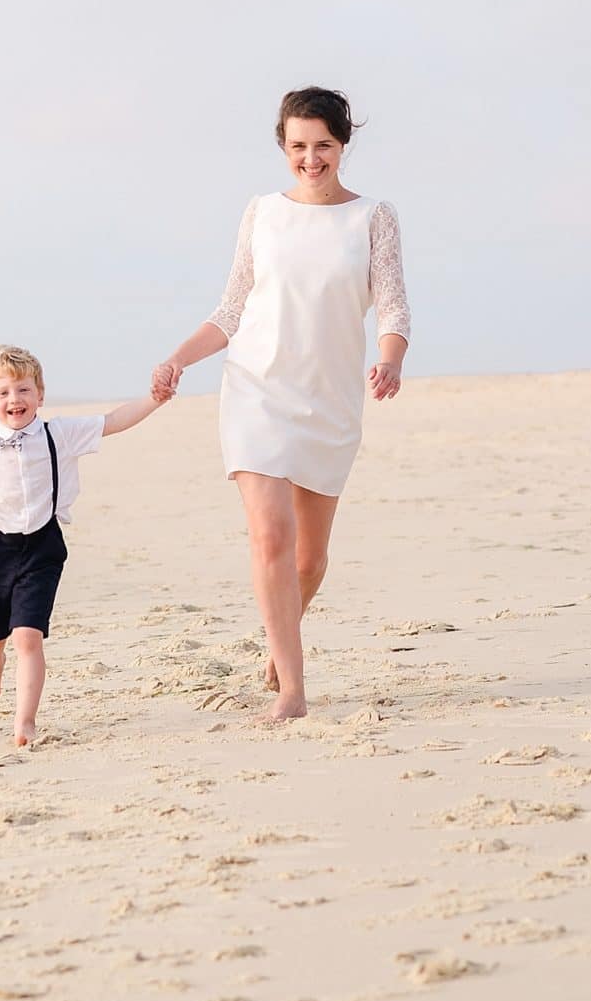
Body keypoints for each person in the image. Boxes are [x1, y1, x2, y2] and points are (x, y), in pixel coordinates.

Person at [150, 87, 411, 721]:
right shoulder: (262, 212)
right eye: (299, 146)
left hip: (330, 398)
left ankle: (279, 643)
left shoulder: (373, 215)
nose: (311, 158)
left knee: (310, 559)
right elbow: (231, 308)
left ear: (343, 143)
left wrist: (391, 356)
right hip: (256, 390)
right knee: (270, 535)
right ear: (283, 147)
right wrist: (179, 358)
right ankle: (292, 691)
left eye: (323, 144)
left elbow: (395, 305)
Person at [0, 345, 166, 746]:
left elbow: (112, 421)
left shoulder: (61, 434)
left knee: (28, 637)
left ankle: (25, 720)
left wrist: (154, 400)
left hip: (43, 546)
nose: (14, 400)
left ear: (40, 395)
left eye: (23, 390)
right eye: (3, 393)